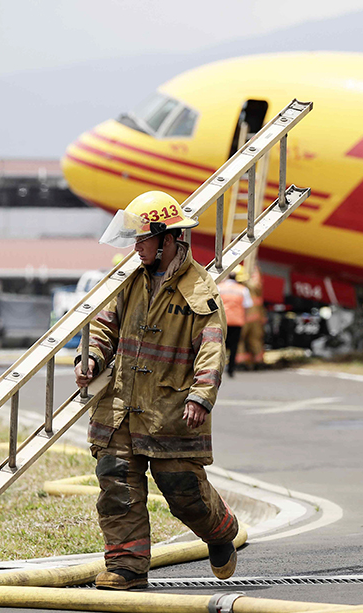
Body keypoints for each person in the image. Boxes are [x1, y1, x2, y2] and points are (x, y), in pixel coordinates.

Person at [75, 191, 239, 591]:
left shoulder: (199, 289)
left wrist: (201, 396)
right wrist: (92, 359)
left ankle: (220, 532)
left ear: (167, 240)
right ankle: (128, 566)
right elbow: (104, 326)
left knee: (182, 491)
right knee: (116, 483)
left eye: (142, 239)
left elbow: (212, 346)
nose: (136, 247)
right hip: (119, 408)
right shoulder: (128, 278)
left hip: (171, 410)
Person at [217, 265, 252, 377]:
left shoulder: (220, 287)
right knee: (234, 346)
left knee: (220, 346)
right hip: (237, 322)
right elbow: (248, 305)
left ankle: (218, 369)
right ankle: (231, 370)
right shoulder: (243, 290)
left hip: (223, 321)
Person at [236, 264, 267, 370]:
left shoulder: (239, 289)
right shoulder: (252, 288)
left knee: (239, 340)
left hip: (242, 318)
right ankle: (258, 361)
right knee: (255, 340)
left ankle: (241, 361)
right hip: (254, 318)